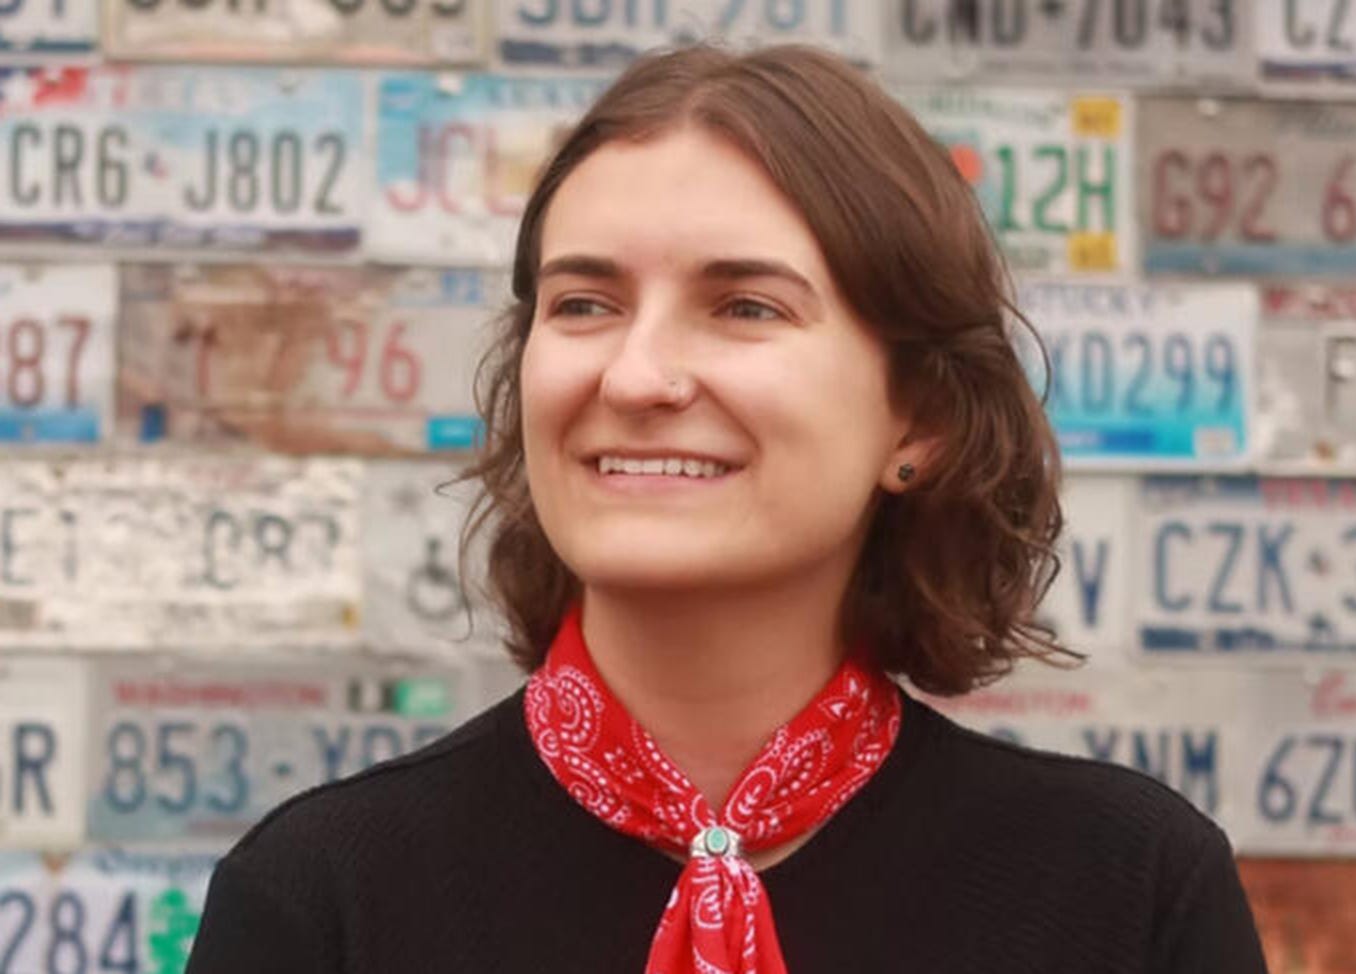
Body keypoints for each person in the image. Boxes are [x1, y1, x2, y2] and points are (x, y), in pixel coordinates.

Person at [187, 44, 1269, 974]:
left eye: (744, 306)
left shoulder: (1125, 889)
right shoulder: (322, 897)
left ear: (921, 417)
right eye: (583, 304)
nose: (635, 375)